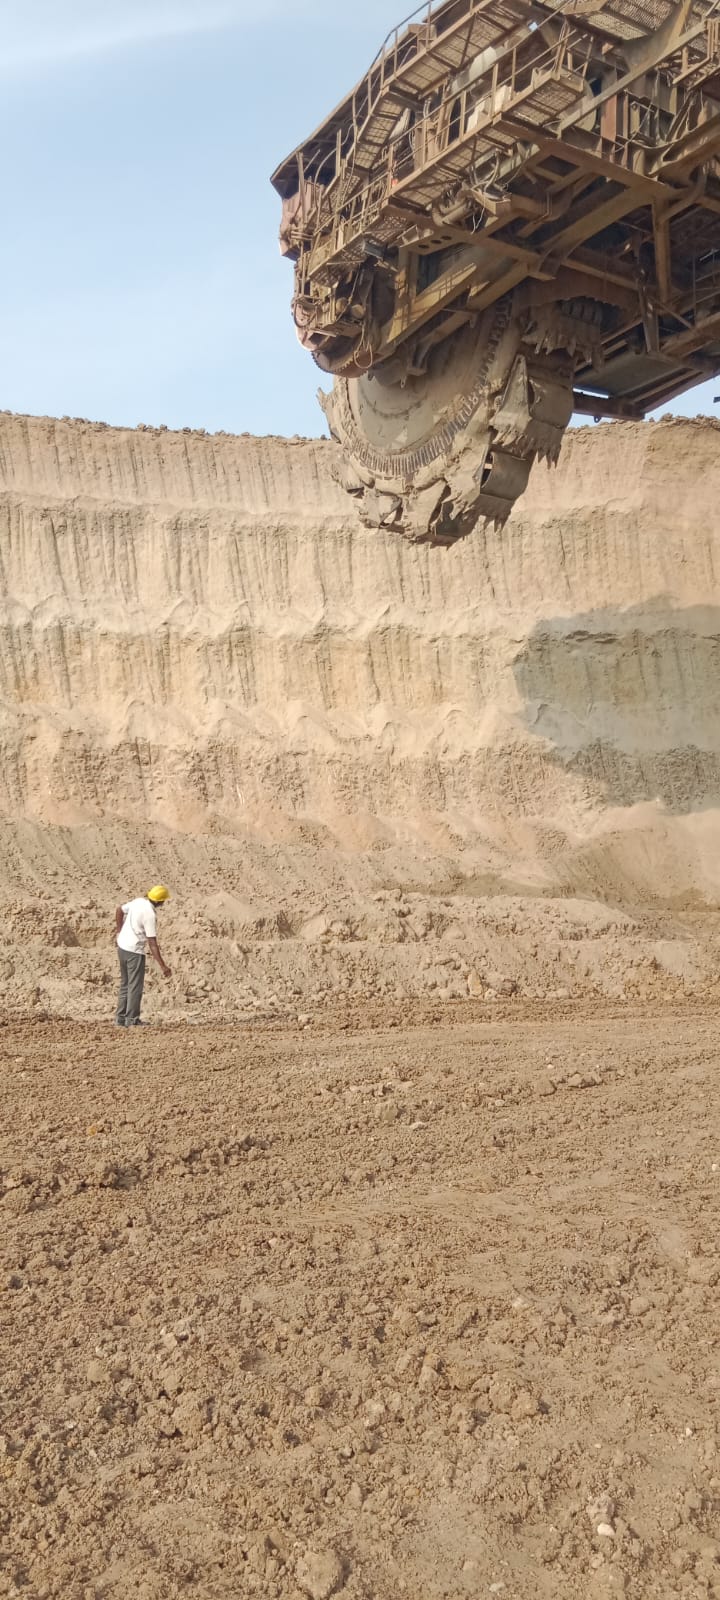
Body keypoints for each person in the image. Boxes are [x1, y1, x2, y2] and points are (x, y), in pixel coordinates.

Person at [115, 885, 172, 1027]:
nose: (163, 903)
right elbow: (152, 942)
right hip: (134, 952)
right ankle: (132, 1020)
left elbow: (119, 910)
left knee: (125, 984)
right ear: (159, 901)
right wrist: (163, 966)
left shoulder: (138, 901)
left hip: (122, 946)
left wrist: (119, 931)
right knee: (135, 987)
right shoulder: (150, 915)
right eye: (163, 901)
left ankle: (120, 1019)